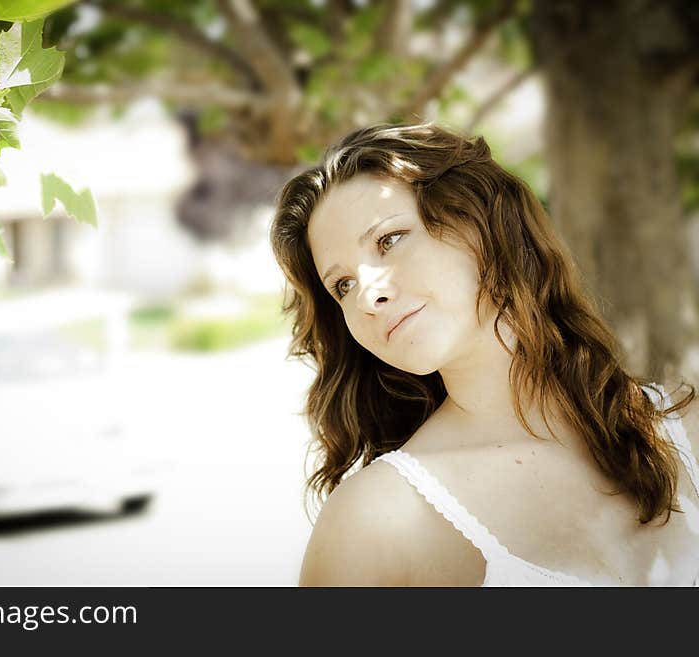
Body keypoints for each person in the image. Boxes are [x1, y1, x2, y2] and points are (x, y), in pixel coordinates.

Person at [270, 122, 699, 586]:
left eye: (389, 240)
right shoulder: (374, 524)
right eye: (342, 285)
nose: (365, 296)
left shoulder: (684, 428)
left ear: (480, 221)